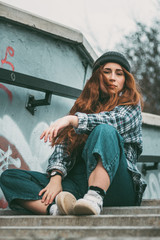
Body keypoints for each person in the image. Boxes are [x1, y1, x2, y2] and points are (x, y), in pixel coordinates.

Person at [0, 51, 147, 215]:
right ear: (97, 77)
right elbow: (64, 146)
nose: (112, 78)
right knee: (9, 177)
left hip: (118, 187)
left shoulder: (132, 106)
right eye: (107, 72)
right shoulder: (84, 108)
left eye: (119, 74)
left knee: (104, 130)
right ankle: (57, 210)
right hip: (79, 186)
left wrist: (72, 120)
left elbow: (114, 121)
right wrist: (56, 177)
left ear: (125, 80)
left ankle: (94, 198)